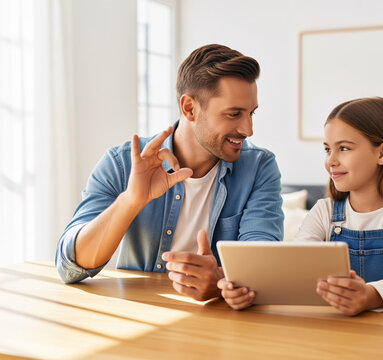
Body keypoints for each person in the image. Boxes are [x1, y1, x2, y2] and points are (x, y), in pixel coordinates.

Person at [55, 44, 284, 301]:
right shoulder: (123, 163)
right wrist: (131, 200)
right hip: (140, 318)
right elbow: (69, 267)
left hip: (222, 325)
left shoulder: (259, 168)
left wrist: (220, 280)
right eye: (234, 114)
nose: (248, 129)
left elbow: (264, 263)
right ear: (189, 108)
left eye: (251, 113)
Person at [218, 97, 383, 313]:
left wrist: (370, 295)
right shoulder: (324, 212)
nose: (330, 160)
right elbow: (295, 265)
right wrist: (247, 292)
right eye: (327, 149)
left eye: (344, 148)